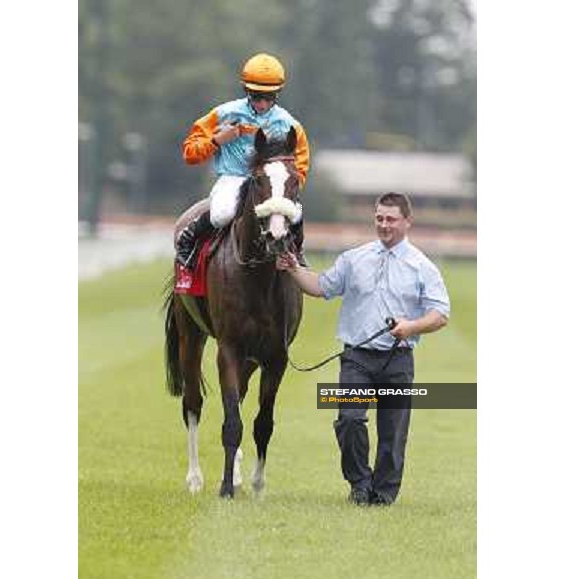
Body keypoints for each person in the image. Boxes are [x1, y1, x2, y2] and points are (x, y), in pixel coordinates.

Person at [276, 192, 450, 506]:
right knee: (350, 419)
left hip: (398, 359)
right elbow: (321, 286)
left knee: (393, 433)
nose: (384, 225)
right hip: (357, 358)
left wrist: (410, 327)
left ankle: (383, 494)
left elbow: (440, 314)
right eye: (379, 218)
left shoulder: (422, 267)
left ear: (407, 222)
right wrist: (292, 269)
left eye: (391, 219)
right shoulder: (353, 259)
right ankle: (359, 483)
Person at [176, 52, 311, 268]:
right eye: (257, 96)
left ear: (277, 94)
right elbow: (190, 153)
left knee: (294, 214)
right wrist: (218, 140)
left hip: (270, 183)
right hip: (233, 177)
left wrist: (287, 190)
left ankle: (298, 253)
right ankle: (189, 236)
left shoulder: (289, 124)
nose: (263, 104)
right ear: (247, 91)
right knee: (223, 214)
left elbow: (300, 165)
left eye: (269, 97)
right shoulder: (224, 113)